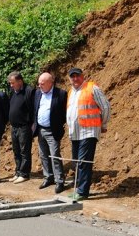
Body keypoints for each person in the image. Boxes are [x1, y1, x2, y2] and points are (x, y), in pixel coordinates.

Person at [66, 67, 111, 200]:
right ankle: (79, 189)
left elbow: (106, 106)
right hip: (75, 133)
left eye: (77, 76)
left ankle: (82, 192)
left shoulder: (92, 88)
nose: (75, 78)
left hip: (89, 131)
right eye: (72, 76)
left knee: (83, 162)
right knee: (77, 162)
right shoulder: (71, 92)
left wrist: (103, 124)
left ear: (83, 76)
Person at [33, 72, 68, 194]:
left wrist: (58, 125)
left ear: (50, 82)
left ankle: (59, 181)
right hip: (40, 129)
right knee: (43, 155)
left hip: (53, 130)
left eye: (42, 83)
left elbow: (64, 113)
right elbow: (35, 109)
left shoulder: (61, 94)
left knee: (55, 155)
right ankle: (48, 177)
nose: (39, 85)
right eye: (39, 83)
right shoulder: (38, 93)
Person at [7, 71, 35, 184]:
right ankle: (18, 172)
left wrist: (32, 125)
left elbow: (33, 109)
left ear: (20, 81)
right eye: (10, 83)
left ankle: (24, 173)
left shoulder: (29, 91)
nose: (11, 85)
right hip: (14, 127)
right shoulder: (13, 92)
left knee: (24, 151)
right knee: (16, 151)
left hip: (24, 127)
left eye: (13, 83)